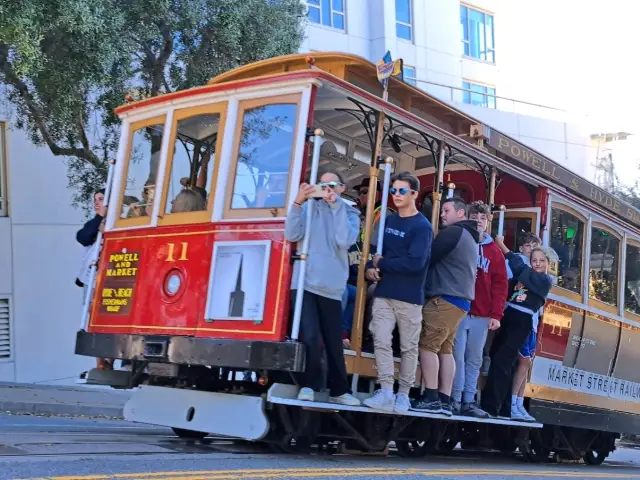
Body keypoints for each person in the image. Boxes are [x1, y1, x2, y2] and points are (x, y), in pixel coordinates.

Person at [285, 170, 361, 406]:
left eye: (333, 185)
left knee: (333, 339)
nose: (327, 189)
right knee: (309, 335)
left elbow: (344, 240)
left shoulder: (350, 213)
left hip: (332, 284)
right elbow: (292, 233)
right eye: (323, 185)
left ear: (342, 189)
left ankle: (340, 389)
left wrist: (336, 206)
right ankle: (308, 385)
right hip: (305, 281)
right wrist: (298, 202)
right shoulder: (308, 208)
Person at [362, 172, 433, 413]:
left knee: (408, 347)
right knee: (381, 340)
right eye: (393, 191)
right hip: (384, 293)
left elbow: (415, 264)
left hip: (410, 297)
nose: (396, 195)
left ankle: (403, 393)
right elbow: (374, 253)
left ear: (414, 194)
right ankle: (385, 390)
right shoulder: (388, 221)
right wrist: (371, 268)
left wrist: (382, 264)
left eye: (402, 191)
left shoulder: (422, 227)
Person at [411, 198, 480, 415]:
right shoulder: (470, 237)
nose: (442, 215)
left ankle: (431, 396)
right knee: (445, 349)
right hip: (460, 302)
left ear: (461, 213)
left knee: (427, 346)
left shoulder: (453, 233)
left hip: (445, 298)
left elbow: (427, 257)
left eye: (446, 210)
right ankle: (445, 397)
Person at [481, 239, 552, 418]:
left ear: (548, 264)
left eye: (541, 261)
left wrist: (502, 246)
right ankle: (501, 405)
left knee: (503, 361)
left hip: (522, 320)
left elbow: (520, 268)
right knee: (497, 357)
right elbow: (508, 283)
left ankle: (492, 406)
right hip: (509, 316)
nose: (537, 263)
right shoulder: (524, 276)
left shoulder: (544, 280)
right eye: (534, 260)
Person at [451, 201, 507, 418]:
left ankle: (468, 399)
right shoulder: (462, 240)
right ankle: (454, 398)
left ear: (488, 221)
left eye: (482, 218)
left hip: (482, 313)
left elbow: (501, 284)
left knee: (474, 358)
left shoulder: (494, 251)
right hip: (460, 308)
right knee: (457, 354)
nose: (478, 222)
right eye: (474, 218)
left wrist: (496, 314)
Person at [506, 233, 543, 422]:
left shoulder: (538, 270)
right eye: (529, 246)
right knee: (523, 361)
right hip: (520, 317)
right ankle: (513, 404)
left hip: (533, 321)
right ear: (522, 248)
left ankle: (519, 403)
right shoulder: (518, 264)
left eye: (536, 246)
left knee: (527, 364)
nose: (532, 249)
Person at [76, 188, 110, 370]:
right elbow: (82, 237)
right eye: (95, 199)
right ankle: (99, 362)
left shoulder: (117, 223)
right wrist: (99, 218)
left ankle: (109, 358)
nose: (96, 202)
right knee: (92, 317)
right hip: (91, 280)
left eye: (101, 199)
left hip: (110, 278)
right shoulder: (93, 224)